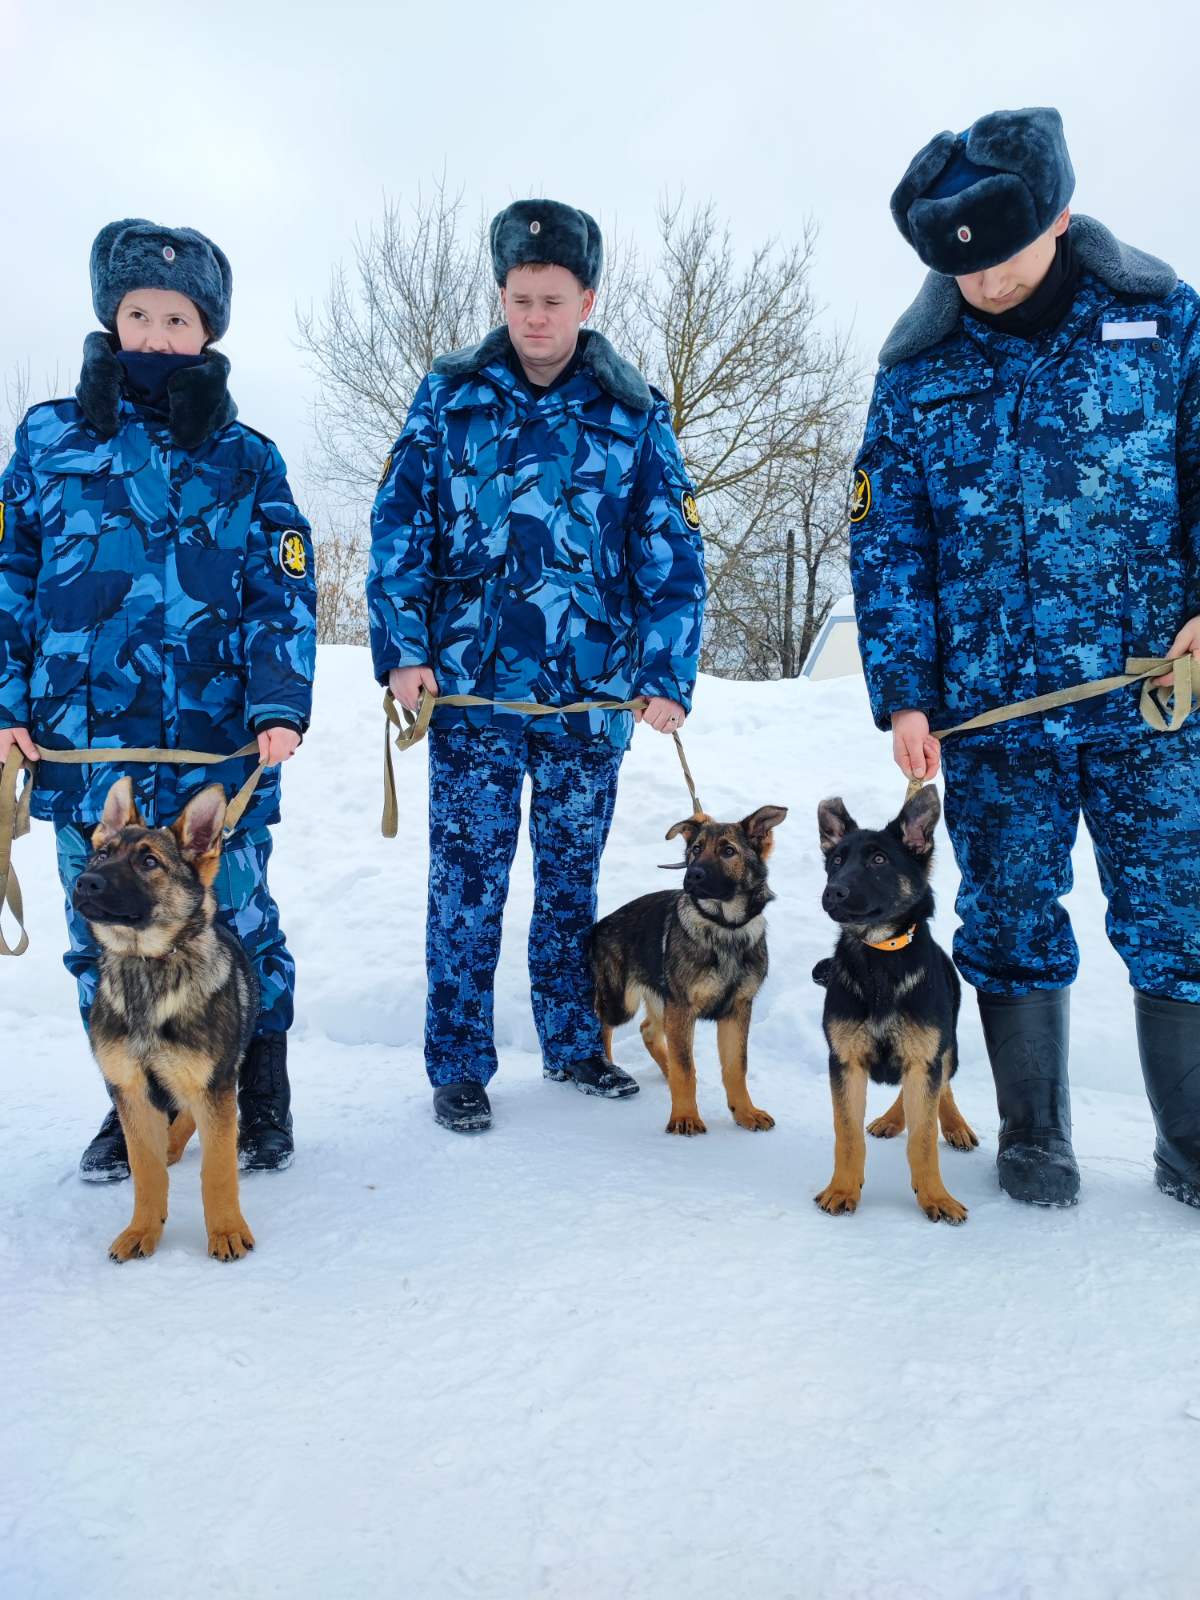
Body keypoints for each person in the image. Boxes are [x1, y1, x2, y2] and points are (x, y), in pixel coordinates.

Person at [851, 107, 1200, 1210]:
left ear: (1055, 218)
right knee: (1006, 920)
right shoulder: (915, 370)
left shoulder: (1163, 319)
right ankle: (1034, 1134)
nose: (986, 286)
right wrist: (905, 691)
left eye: (1001, 261)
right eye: (963, 272)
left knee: (1180, 918)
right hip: (994, 715)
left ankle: (1189, 1144)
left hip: (1156, 695)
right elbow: (887, 537)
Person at [368, 198, 706, 1133]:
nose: (536, 318)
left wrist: (666, 673)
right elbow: (401, 528)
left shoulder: (633, 413)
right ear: (502, 295)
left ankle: (572, 1044)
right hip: (471, 698)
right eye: (520, 297)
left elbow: (670, 551)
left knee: (570, 888)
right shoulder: (450, 397)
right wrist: (403, 650)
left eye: (554, 299)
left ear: (587, 299)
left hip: (585, 703)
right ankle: (460, 1064)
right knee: (466, 889)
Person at [0, 218, 316, 1179]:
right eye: (138, 312)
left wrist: (279, 703)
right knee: (98, 935)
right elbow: (10, 572)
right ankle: (129, 1102)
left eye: (176, 318)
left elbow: (282, 585)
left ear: (206, 333)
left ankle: (256, 1091)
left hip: (208, 754)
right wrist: (7, 700)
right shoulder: (48, 436)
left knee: (239, 926)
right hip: (76, 750)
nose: (154, 334)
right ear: (111, 316)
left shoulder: (247, 456)